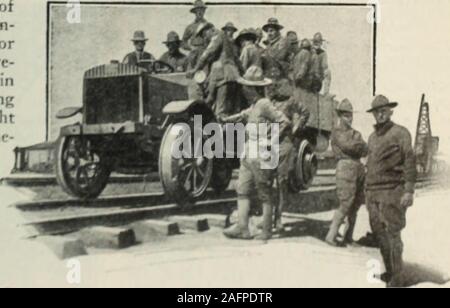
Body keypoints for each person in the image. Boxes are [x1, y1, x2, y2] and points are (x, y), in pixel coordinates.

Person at [222, 66, 291, 241]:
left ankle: (267, 231)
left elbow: (284, 121)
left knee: (264, 192)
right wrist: (226, 119)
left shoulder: (265, 104)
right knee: (243, 190)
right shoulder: (254, 106)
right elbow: (243, 115)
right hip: (249, 153)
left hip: (262, 152)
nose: (243, 89)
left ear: (254, 88)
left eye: (246, 87)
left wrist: (270, 140)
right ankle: (242, 228)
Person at [365, 95, 417, 287]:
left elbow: (410, 161)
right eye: (377, 112)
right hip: (373, 194)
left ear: (390, 111)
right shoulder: (371, 138)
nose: (380, 114)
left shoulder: (401, 133)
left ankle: (398, 278)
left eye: (383, 110)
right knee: (379, 234)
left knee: (393, 235)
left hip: (392, 192)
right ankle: (390, 270)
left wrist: (409, 190)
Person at [268, 80, 310, 232]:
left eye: (277, 86)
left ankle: (278, 219)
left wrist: (296, 128)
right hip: (271, 144)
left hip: (285, 145)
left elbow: (305, 112)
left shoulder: (291, 101)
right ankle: (268, 218)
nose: (275, 89)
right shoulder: (270, 102)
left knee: (281, 183)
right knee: (267, 182)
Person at [325, 99, 368, 247]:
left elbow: (365, 149)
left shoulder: (356, 133)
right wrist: (358, 144)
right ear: (340, 116)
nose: (349, 118)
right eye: (346, 115)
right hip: (345, 168)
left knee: (355, 205)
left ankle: (348, 237)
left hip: (358, 167)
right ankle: (331, 236)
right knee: (345, 203)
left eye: (350, 115)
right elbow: (348, 146)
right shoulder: (337, 133)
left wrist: (358, 145)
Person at [187, 22, 243, 118]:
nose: (205, 38)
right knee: (230, 111)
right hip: (233, 77)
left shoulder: (217, 36)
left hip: (223, 78)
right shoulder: (229, 41)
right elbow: (237, 60)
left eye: (204, 34)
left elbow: (207, 53)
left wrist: (195, 69)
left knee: (220, 112)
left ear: (210, 30)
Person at [292, 39, 313, 105]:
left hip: (299, 82)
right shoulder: (306, 53)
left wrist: (297, 79)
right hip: (301, 83)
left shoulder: (300, 54)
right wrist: (299, 77)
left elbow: (302, 67)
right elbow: (304, 66)